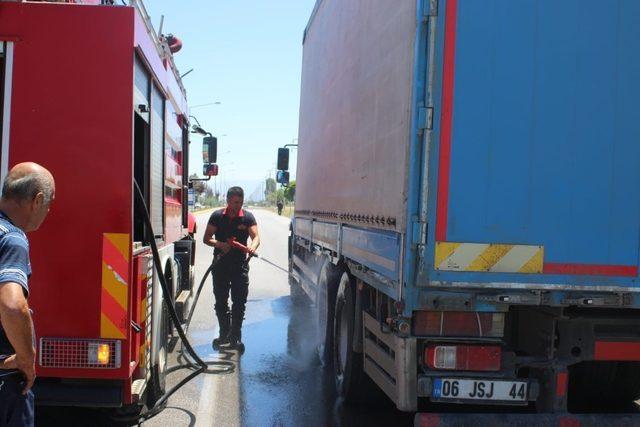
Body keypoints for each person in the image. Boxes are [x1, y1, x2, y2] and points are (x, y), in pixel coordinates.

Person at [0, 162, 55, 427]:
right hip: (5, 384)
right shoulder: (12, 238)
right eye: (49, 203)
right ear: (38, 200)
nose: (48, 212)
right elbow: (12, 305)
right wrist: (26, 358)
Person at [203, 186, 259, 351]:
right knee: (221, 302)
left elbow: (256, 237)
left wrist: (253, 247)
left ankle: (235, 337)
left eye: (240, 202)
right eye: (235, 202)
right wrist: (220, 244)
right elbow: (206, 238)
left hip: (239, 267)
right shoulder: (217, 216)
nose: (237, 206)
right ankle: (223, 334)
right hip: (220, 265)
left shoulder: (247, 217)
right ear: (228, 200)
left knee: (239, 302)